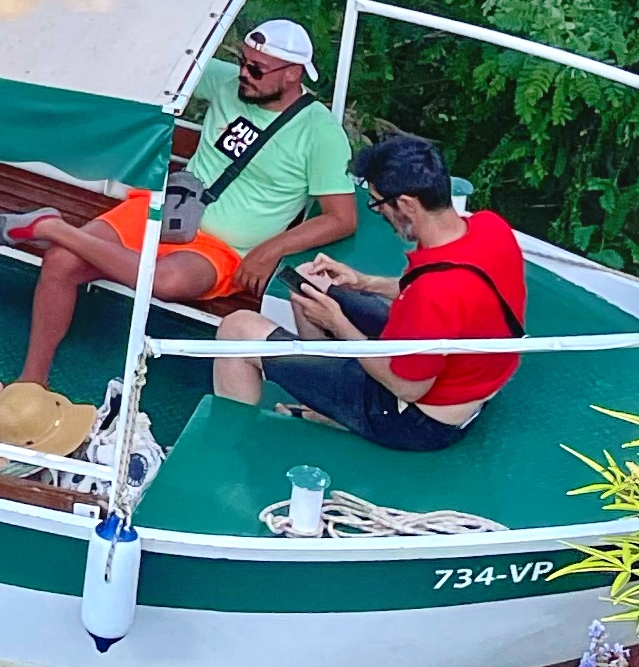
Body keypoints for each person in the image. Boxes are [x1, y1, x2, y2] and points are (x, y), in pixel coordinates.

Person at [0, 16, 358, 393]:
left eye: (256, 69)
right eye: (242, 61)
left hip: (224, 249)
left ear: (292, 74)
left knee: (164, 280)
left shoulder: (320, 133)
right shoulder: (228, 83)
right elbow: (166, 59)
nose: (243, 73)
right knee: (60, 261)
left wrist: (271, 249)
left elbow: (341, 218)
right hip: (171, 210)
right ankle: (30, 383)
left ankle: (53, 228)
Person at [213, 130, 526, 450]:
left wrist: (340, 325)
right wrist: (363, 282)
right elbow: (442, 297)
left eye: (378, 206)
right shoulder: (489, 227)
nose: (380, 215)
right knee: (316, 286)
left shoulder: (435, 295)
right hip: (473, 381)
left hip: (416, 420)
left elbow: (406, 387)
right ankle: (329, 393)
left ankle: (226, 446)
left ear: (405, 204)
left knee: (238, 329)